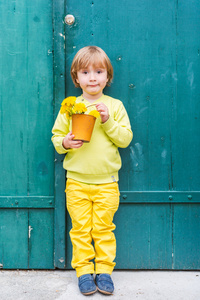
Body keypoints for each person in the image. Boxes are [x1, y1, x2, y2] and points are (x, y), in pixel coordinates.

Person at [51, 46, 133, 296]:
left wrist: (107, 121)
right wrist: (65, 142)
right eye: (85, 72)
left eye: (99, 71)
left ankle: (105, 271)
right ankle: (84, 272)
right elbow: (56, 137)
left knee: (103, 228)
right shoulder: (71, 106)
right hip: (76, 182)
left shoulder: (114, 106)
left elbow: (125, 139)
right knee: (80, 229)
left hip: (107, 182)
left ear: (107, 76)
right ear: (76, 78)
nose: (93, 78)